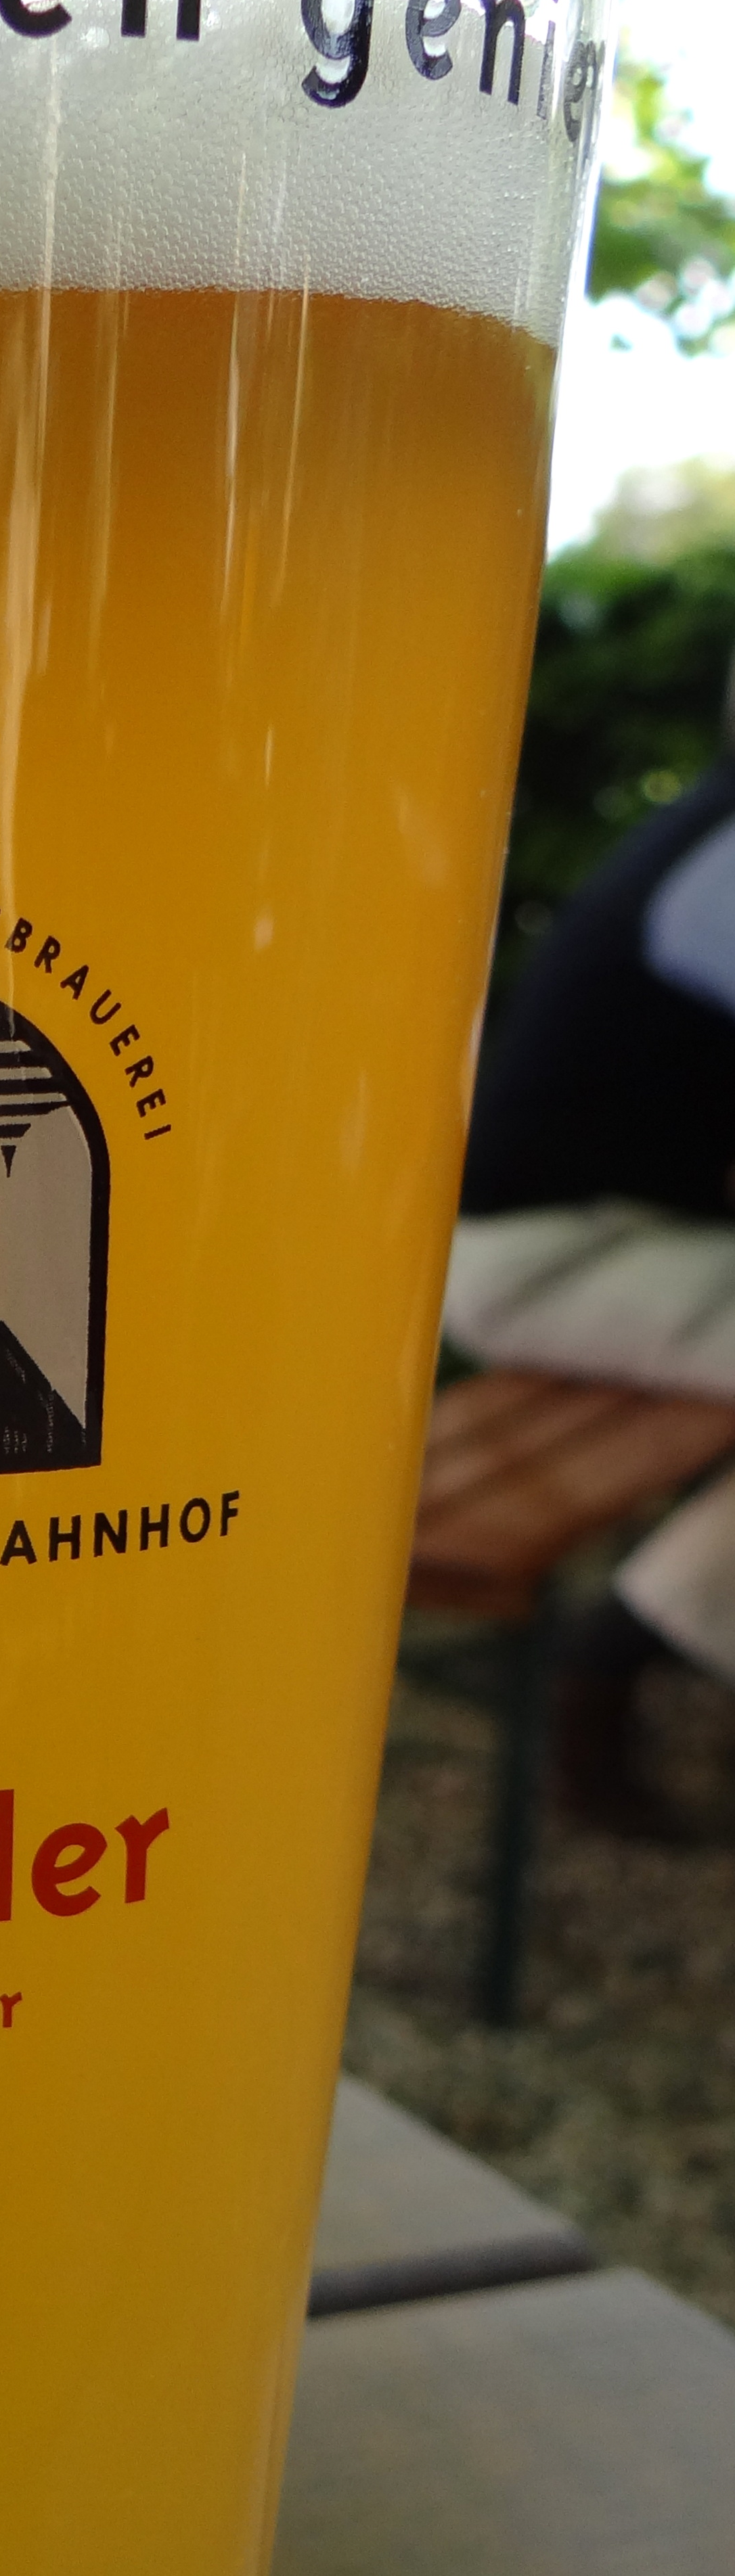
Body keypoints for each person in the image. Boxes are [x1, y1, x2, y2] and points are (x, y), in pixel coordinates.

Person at [446, 654, 735, 1835]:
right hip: (540, 1259)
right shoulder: (723, 861)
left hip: (617, 1237)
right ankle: (621, 1650)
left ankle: (649, 1631)